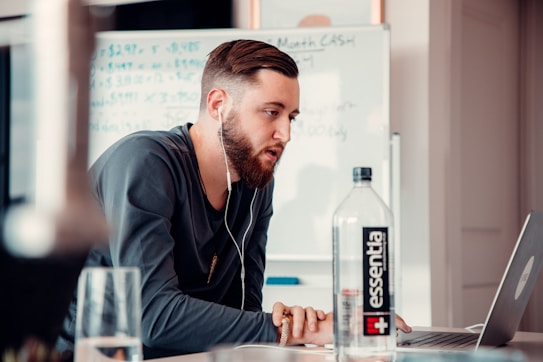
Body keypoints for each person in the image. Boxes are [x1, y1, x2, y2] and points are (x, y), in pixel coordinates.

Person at [56, 39, 411, 359]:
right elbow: (155, 317)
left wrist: (293, 326)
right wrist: (309, 330)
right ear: (218, 104)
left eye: (291, 117)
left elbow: (245, 313)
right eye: (271, 112)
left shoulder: (257, 184)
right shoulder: (146, 162)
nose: (285, 133)